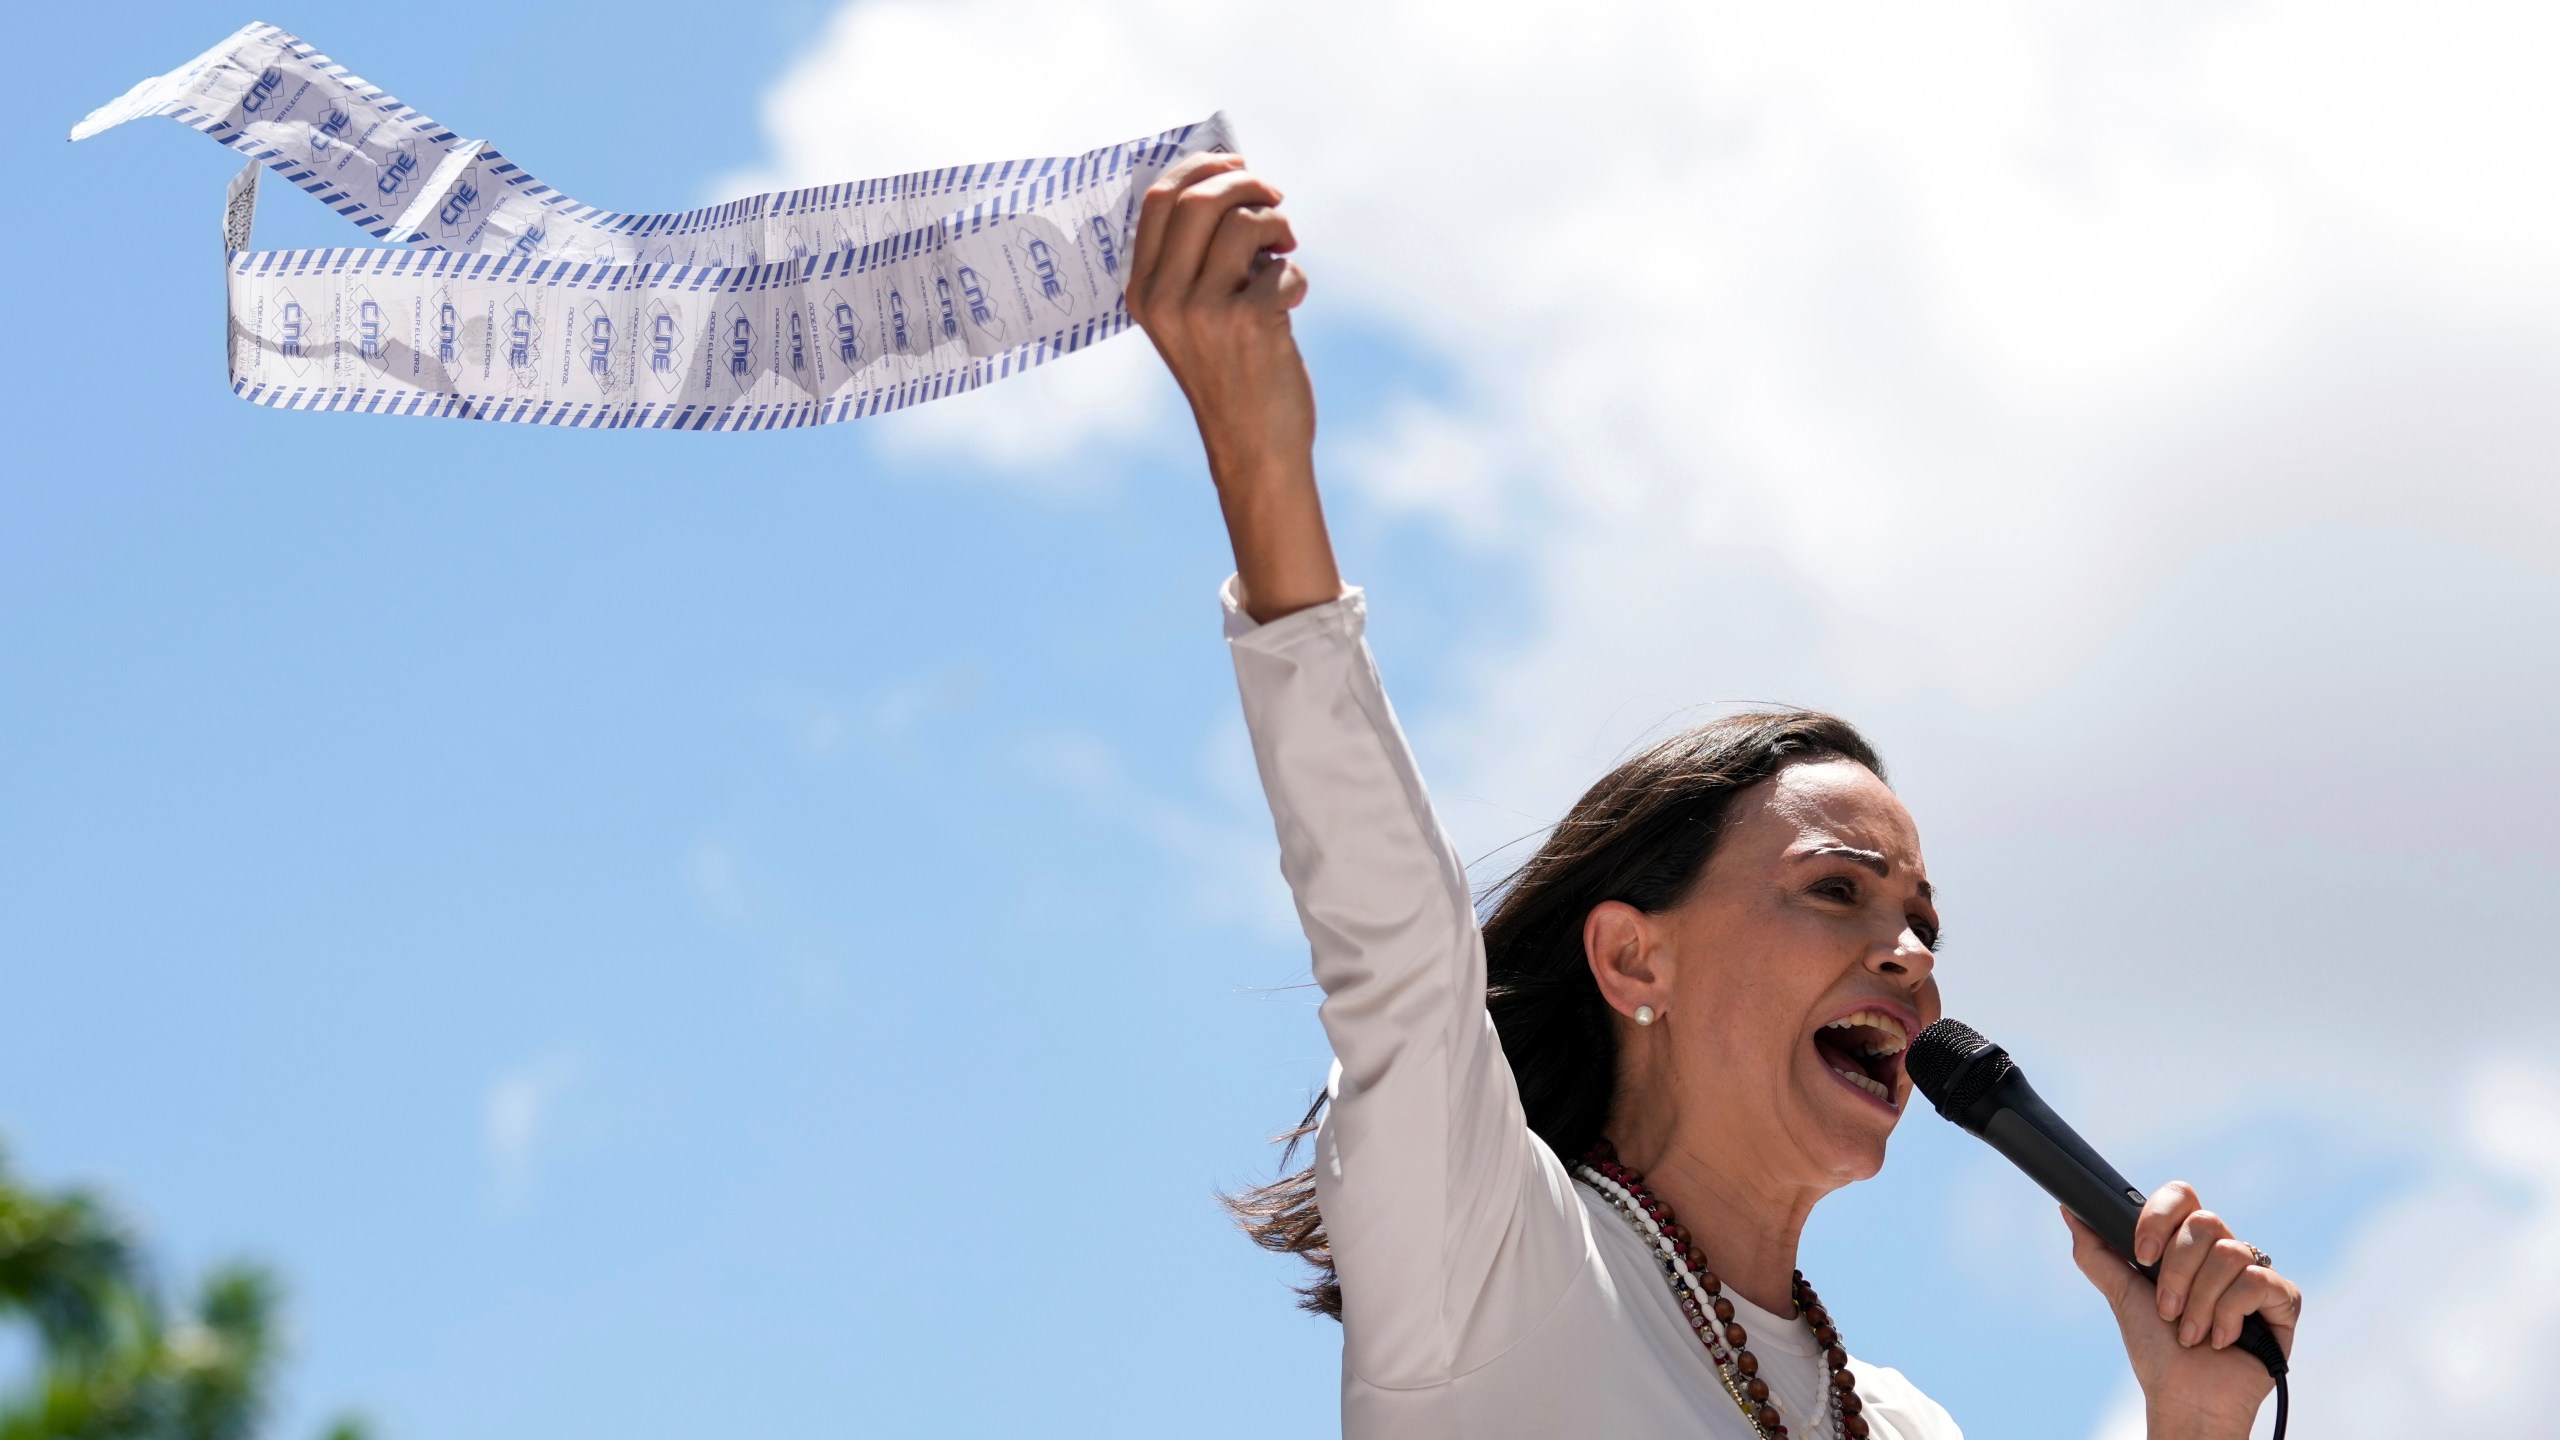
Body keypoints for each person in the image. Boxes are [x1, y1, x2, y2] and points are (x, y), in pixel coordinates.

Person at [1122, 151, 2303, 1440]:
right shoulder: (1493, 1260)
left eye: (1925, 925)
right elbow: (1396, 948)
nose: (1907, 956)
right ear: (1635, 958)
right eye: (1835, 890)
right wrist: (1260, 456)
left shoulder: (1904, 1426)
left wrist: (2192, 1419)